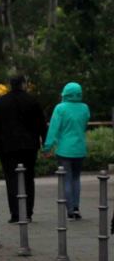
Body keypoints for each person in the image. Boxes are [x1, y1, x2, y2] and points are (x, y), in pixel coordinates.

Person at [0, 76, 46, 223]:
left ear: (10, 85)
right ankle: (28, 212)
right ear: (23, 84)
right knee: (28, 178)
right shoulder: (32, 101)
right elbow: (41, 124)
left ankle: (15, 213)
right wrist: (44, 142)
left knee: (11, 179)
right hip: (29, 146)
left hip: (7, 147)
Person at [43, 81, 90, 219]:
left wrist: (47, 147)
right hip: (80, 148)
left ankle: (69, 210)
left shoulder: (60, 108)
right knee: (76, 178)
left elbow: (53, 129)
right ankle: (76, 207)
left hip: (64, 150)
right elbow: (84, 125)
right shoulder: (84, 108)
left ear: (65, 93)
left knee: (66, 179)